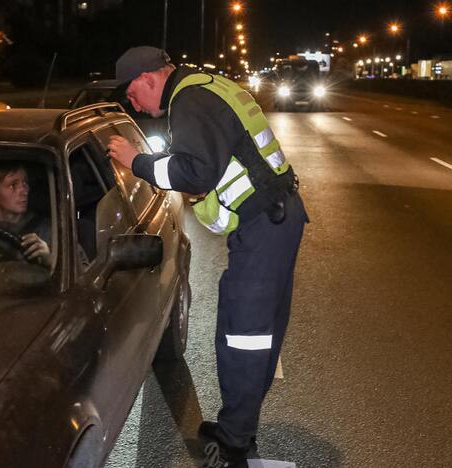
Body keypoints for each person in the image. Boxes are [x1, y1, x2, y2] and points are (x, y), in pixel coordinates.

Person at [107, 47, 307, 468]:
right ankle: (239, 424)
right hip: (275, 218)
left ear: (147, 78)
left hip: (263, 226)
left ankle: (235, 445)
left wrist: (136, 161)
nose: (133, 105)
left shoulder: (189, 101)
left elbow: (194, 172)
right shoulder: (206, 86)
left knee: (243, 337)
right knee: (257, 334)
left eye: (131, 94)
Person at [0, 163, 51, 266]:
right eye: (13, 185)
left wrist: (50, 259)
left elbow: (80, 269)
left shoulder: (49, 230)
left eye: (25, 183)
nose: (24, 191)